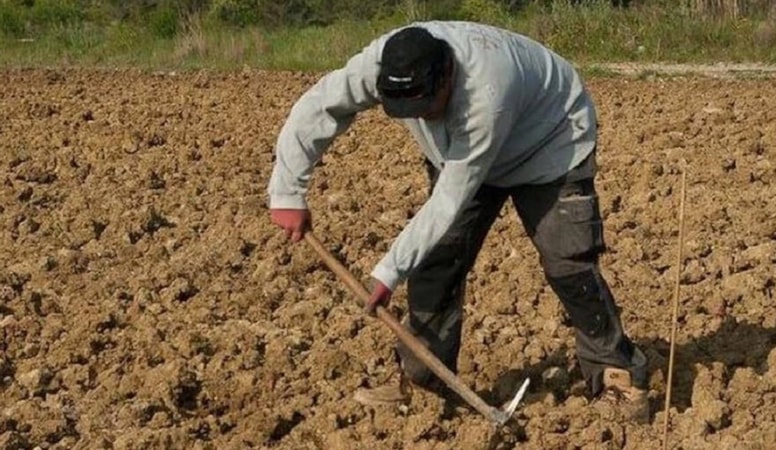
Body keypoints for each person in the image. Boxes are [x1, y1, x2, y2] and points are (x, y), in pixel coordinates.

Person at [268, 21, 649, 423]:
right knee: (436, 262)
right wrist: (287, 191)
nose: (423, 119)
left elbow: (451, 197)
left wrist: (387, 272)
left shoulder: (487, 92)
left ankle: (619, 376)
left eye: (428, 107)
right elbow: (319, 105)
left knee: (569, 264)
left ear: (447, 76)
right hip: (461, 154)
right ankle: (423, 384)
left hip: (550, 143)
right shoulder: (382, 63)